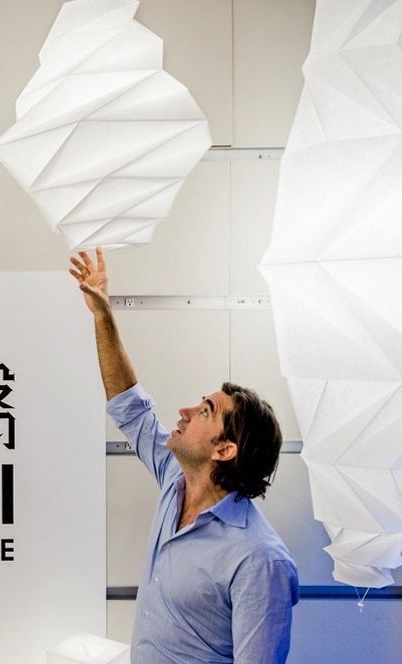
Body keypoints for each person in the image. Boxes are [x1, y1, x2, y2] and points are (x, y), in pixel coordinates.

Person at [70, 248, 298, 663]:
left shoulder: (260, 560)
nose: (185, 412)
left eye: (205, 411)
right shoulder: (176, 481)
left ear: (224, 449)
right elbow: (130, 408)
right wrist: (103, 316)